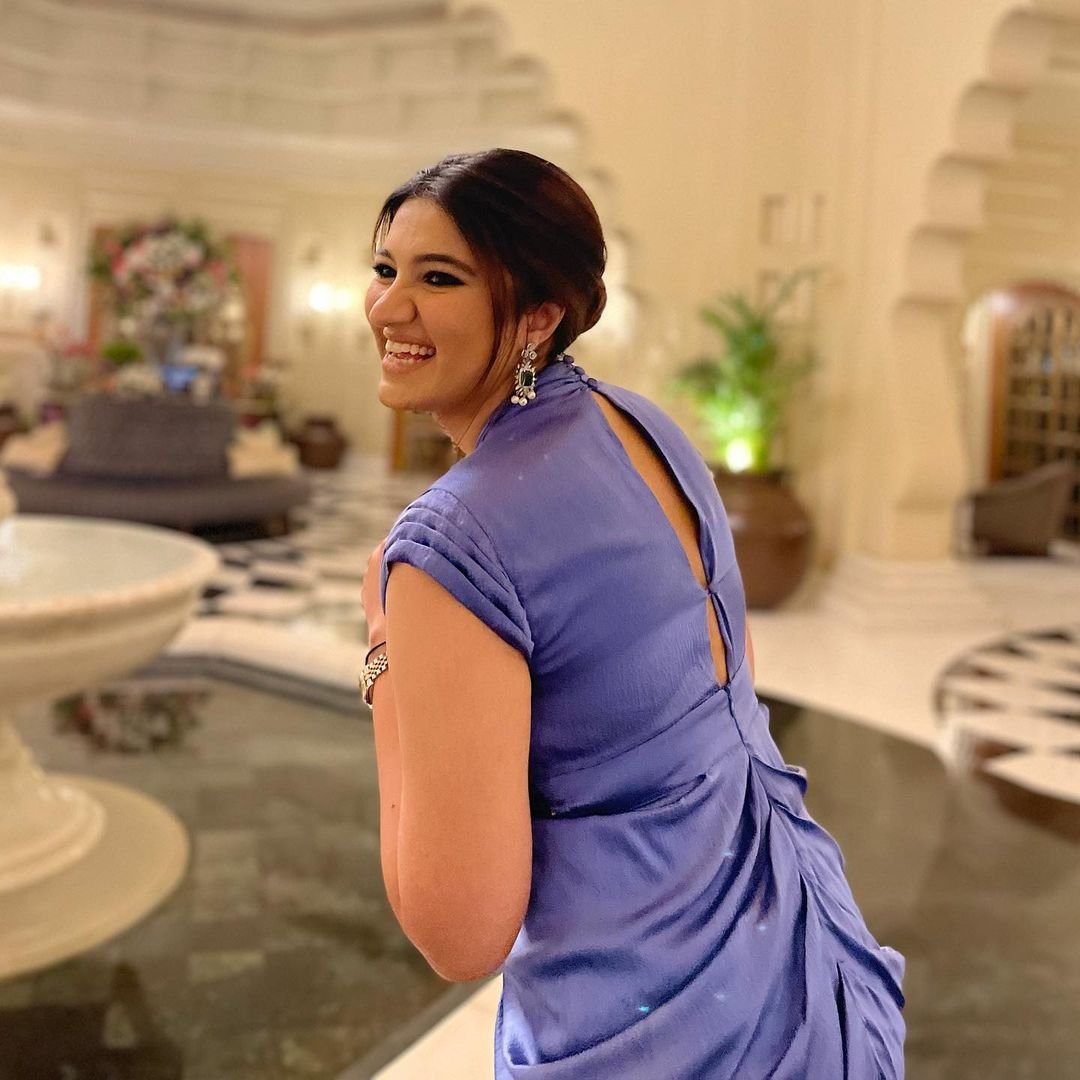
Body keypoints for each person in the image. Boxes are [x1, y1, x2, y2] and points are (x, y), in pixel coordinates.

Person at [359, 148, 905, 1079]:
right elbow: (724, 679)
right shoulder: (646, 426)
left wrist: (384, 657)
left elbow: (460, 933)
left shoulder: (454, 542)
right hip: (801, 953)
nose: (387, 307)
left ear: (539, 315)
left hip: (655, 1027)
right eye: (385, 269)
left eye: (438, 278)